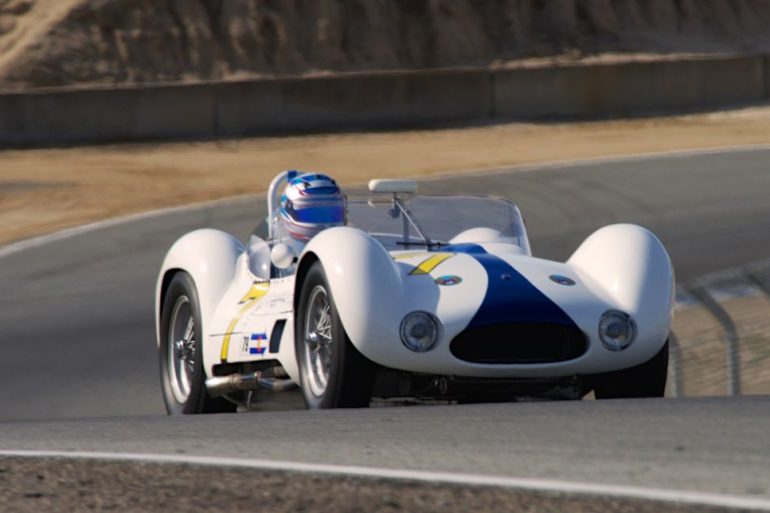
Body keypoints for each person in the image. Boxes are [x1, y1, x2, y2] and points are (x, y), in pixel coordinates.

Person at [273, 171, 347, 254]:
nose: (324, 223)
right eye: (312, 214)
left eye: (332, 213)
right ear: (289, 210)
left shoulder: (348, 247)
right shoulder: (279, 255)